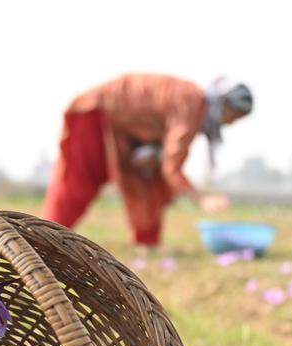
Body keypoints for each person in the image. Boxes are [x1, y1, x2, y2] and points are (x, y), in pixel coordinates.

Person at [41, 74, 253, 248]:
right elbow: (172, 167)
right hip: (95, 113)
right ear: (223, 103)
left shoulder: (191, 102)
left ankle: (147, 242)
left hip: (127, 131)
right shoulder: (191, 106)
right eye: (232, 116)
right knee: (80, 182)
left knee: (148, 180)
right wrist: (202, 199)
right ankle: (42, 240)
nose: (230, 123)